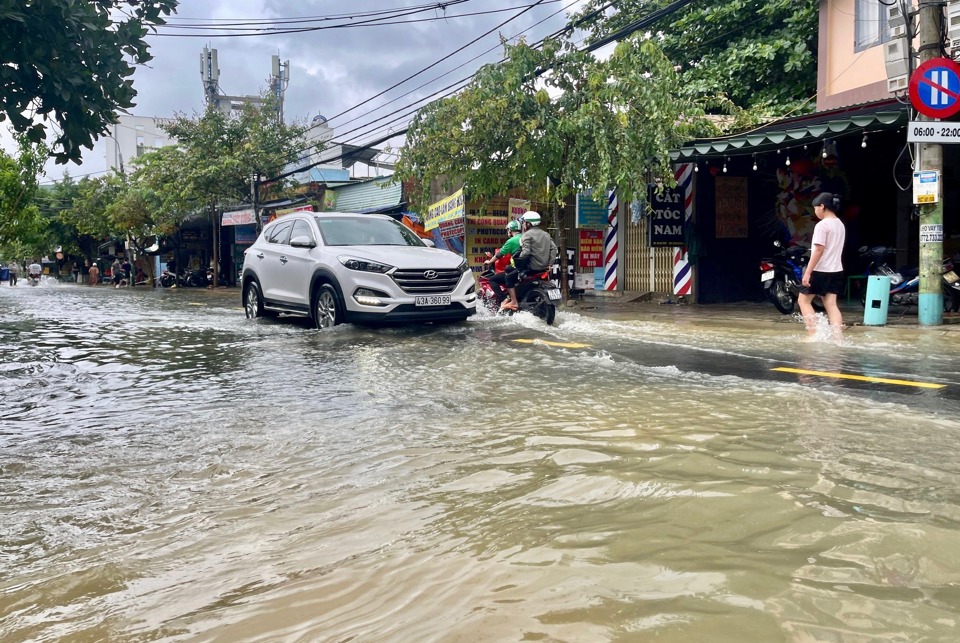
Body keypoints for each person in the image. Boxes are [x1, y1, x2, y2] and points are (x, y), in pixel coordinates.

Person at [799, 192, 846, 343]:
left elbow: (818, 250)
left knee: (803, 301)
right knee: (831, 304)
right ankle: (838, 338)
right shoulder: (840, 224)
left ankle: (813, 334)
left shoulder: (822, 225)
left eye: (815, 208)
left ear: (822, 206)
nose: (815, 211)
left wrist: (807, 272)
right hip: (836, 269)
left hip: (820, 270)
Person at [503, 211, 558, 311]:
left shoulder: (527, 235)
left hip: (531, 268)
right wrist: (550, 263)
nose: (523, 224)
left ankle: (514, 301)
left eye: (524, 222)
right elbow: (554, 249)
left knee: (509, 277)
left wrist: (517, 260)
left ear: (528, 223)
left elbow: (526, 252)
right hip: (544, 268)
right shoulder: (546, 234)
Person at [482, 219, 521, 306]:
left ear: (510, 230)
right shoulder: (525, 237)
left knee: (492, 280)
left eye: (508, 230)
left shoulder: (511, 241)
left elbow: (499, 255)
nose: (508, 232)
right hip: (527, 268)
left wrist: (489, 261)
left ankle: (502, 300)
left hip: (517, 269)